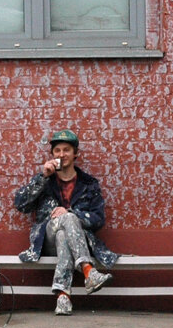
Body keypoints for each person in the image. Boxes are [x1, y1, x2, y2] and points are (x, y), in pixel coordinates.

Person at [13, 128, 117, 316]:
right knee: (65, 221)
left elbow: (98, 219)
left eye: (67, 150)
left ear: (75, 153)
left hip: (75, 239)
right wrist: (43, 177)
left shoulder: (88, 184)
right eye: (58, 150)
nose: (62, 154)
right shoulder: (46, 181)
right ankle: (88, 271)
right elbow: (20, 204)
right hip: (46, 239)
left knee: (64, 232)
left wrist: (70, 212)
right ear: (52, 154)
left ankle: (63, 297)